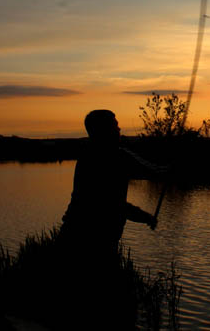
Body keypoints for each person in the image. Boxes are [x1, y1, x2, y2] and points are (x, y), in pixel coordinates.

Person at [54, 109, 165, 328]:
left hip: (74, 239)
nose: (119, 128)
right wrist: (146, 217)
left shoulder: (94, 155)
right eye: (115, 125)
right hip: (92, 245)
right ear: (102, 130)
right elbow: (113, 203)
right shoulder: (113, 156)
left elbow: (152, 171)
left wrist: (165, 171)